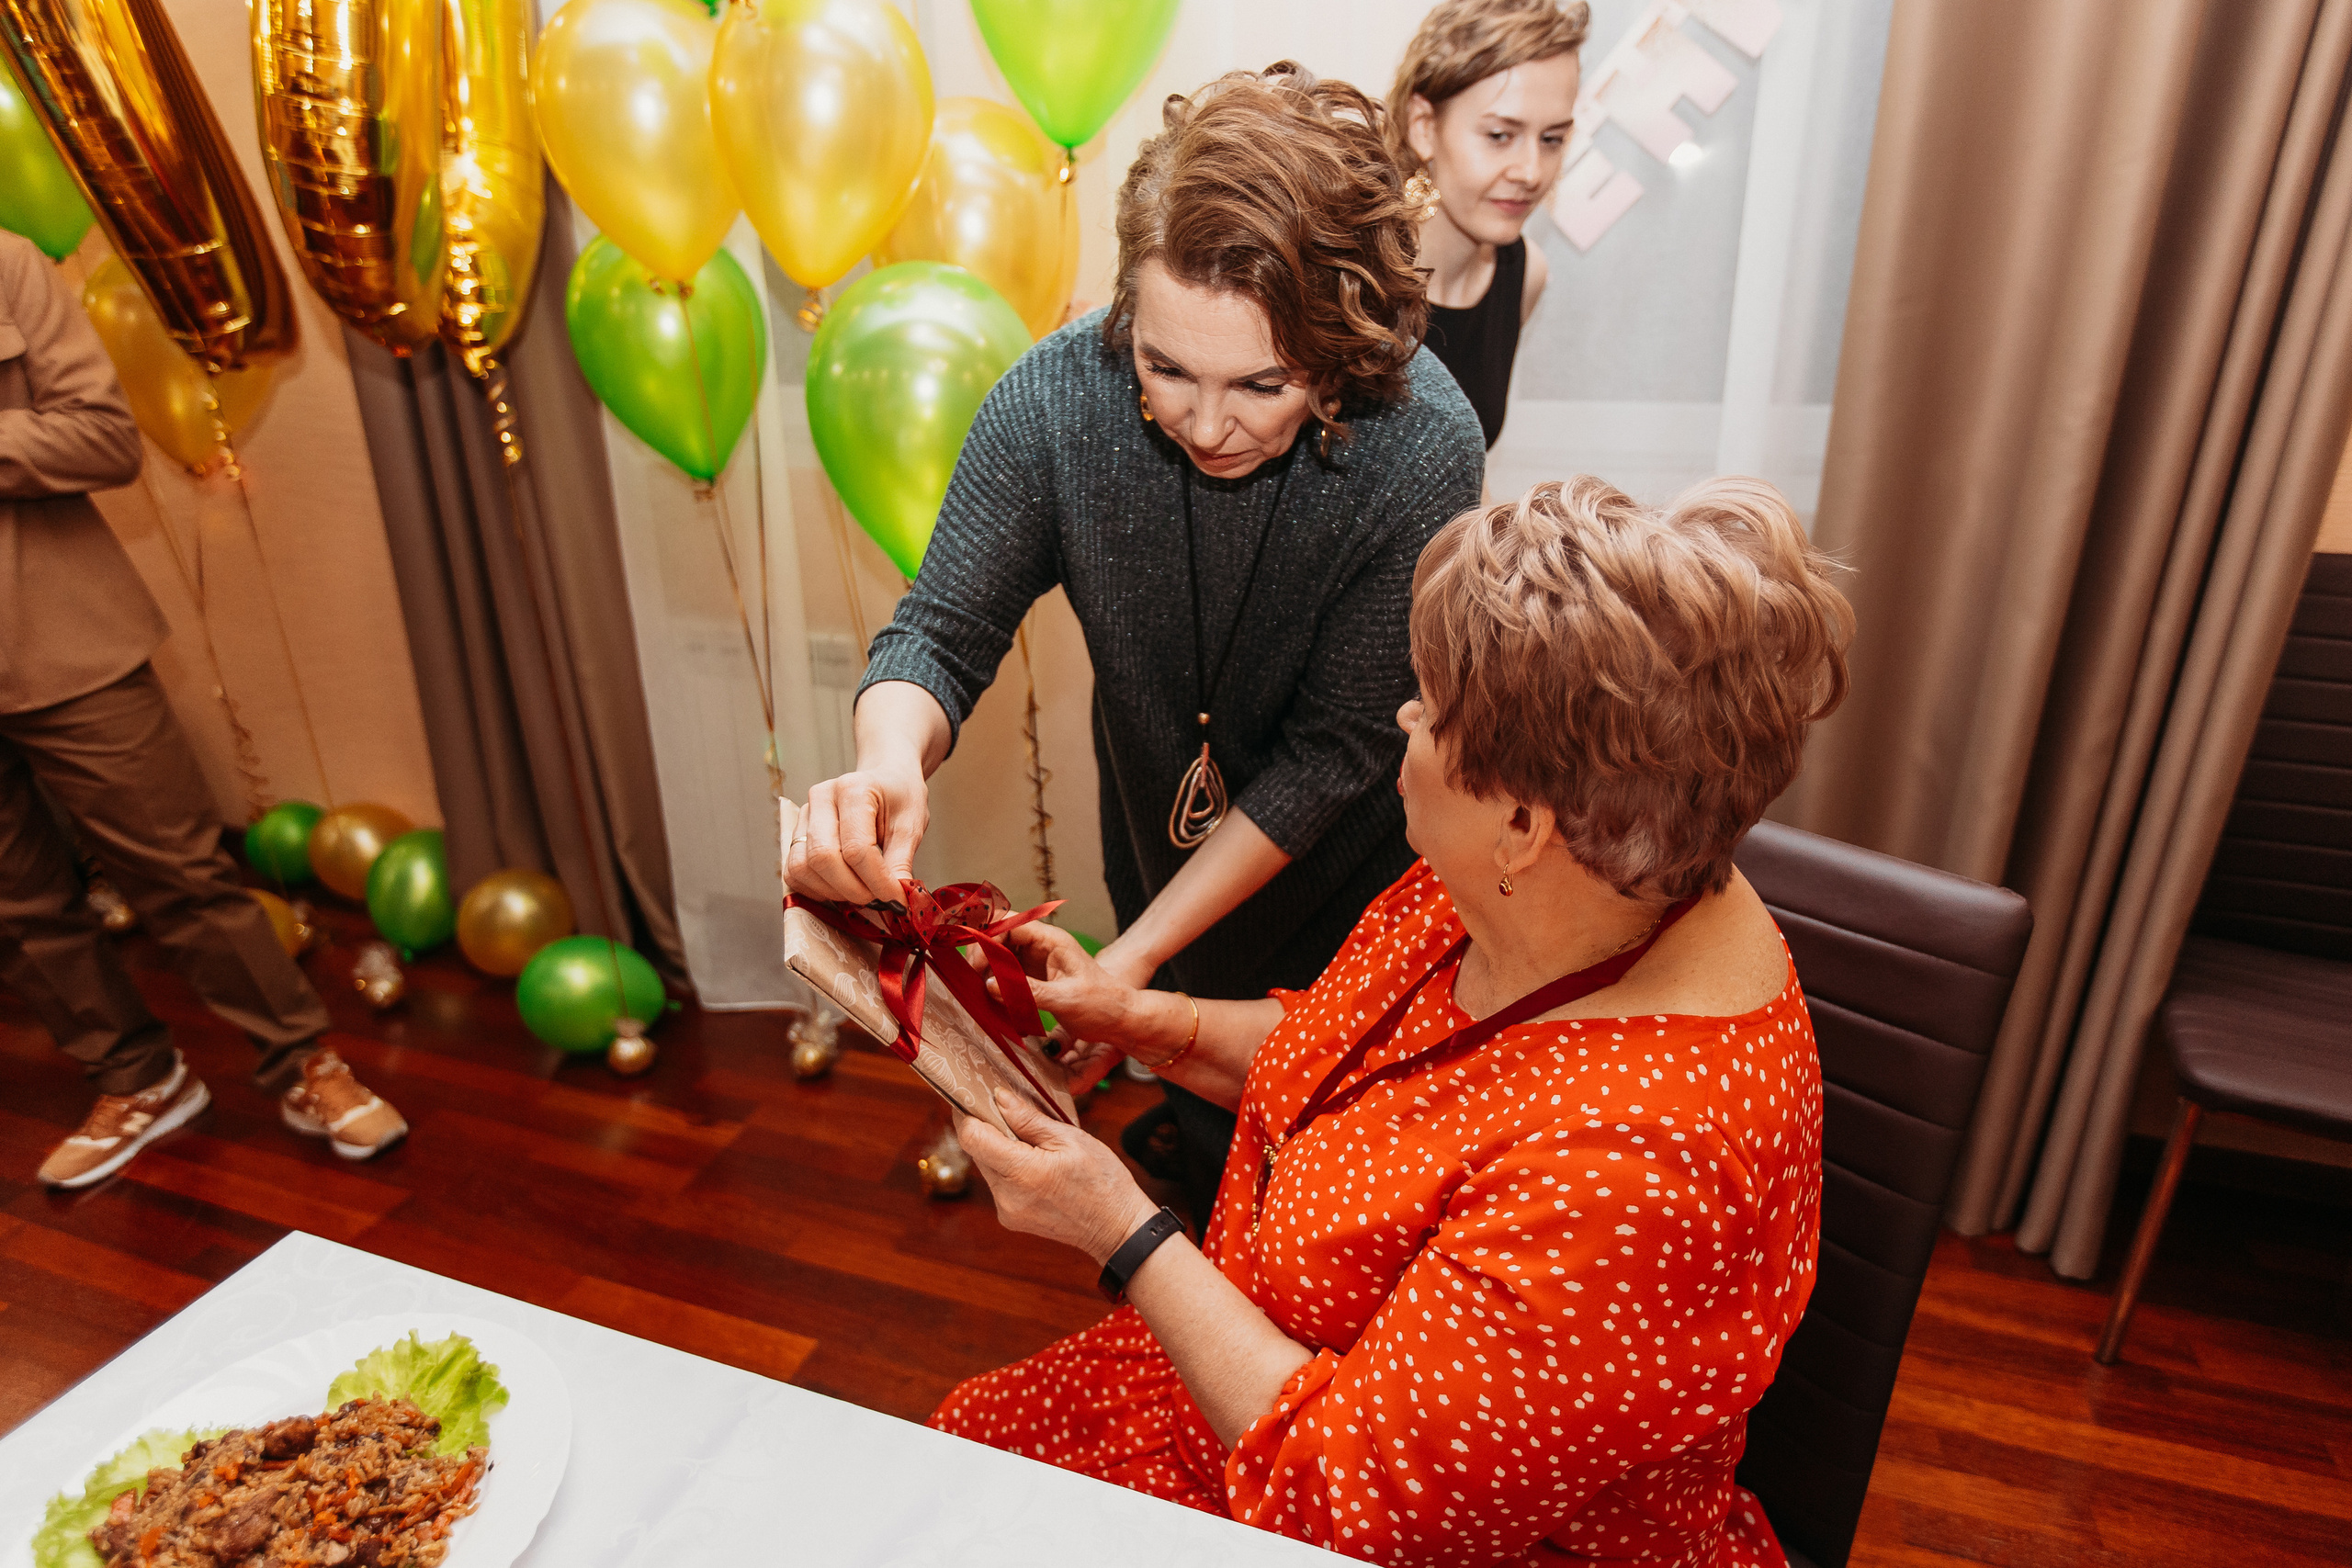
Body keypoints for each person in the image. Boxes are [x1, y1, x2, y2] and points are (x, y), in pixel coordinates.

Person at [932, 475, 1853, 1566]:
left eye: (1428, 709)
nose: (1402, 721)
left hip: (1347, 1500)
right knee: (951, 1465)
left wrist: (1119, 1229)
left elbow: (1348, 1505)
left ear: (1523, 822)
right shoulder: (1565, 883)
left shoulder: (1637, 1171)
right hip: (1256, 1381)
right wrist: (1145, 1020)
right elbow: (1363, 1069)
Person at [787, 64, 1487, 1225]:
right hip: (1162, 862)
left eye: (1262, 382)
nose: (1207, 424)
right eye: (1166, 369)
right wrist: (887, 760)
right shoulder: (1055, 403)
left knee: (1344, 1208)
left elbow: (1333, 757)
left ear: (1340, 343)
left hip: (1357, 901)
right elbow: (941, 630)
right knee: (1217, 1185)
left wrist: (1135, 960)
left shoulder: (1422, 445)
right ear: (1125, 317)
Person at [0, 229, 406, 1188]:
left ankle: (303, 1063)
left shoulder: (8, 265)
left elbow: (102, 438)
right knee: (18, 907)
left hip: (63, 642)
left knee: (180, 873)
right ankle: (138, 1079)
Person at [1390, 0, 1588, 448]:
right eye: (1500, 136)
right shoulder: (1348, 272)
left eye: (1552, 139)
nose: (1531, 172)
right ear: (1423, 126)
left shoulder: (1525, 274)